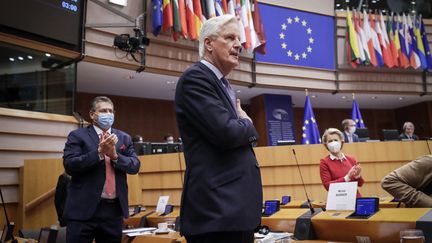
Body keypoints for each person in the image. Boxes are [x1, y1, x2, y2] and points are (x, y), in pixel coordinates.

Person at [174, 15, 262, 243]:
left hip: (232, 213)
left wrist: (242, 127)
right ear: (209, 44)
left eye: (239, 39)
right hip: (216, 213)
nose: (239, 45)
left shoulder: (223, 85)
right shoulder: (196, 79)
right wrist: (248, 123)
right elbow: (228, 133)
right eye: (230, 37)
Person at [63, 96, 141, 243]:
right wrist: (99, 153)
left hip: (113, 211)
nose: (108, 114)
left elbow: (134, 166)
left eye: (110, 111)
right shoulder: (77, 136)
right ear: (92, 114)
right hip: (83, 210)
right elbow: (70, 165)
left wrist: (115, 156)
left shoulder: (124, 138)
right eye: (103, 110)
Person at [320, 128, 364, 197]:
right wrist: (347, 178)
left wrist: (357, 176)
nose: (333, 143)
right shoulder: (324, 162)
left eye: (336, 140)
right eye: (330, 141)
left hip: (355, 198)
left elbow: (360, 184)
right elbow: (327, 186)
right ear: (326, 145)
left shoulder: (351, 159)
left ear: (341, 142)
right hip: (338, 199)